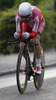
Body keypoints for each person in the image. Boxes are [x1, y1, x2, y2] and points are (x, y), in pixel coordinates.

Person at [14, 2, 45, 74]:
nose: (24, 19)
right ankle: (28, 63)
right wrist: (17, 34)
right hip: (27, 25)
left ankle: (38, 65)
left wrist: (29, 35)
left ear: (30, 14)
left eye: (26, 17)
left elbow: (34, 33)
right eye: (22, 17)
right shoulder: (18, 17)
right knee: (22, 44)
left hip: (39, 23)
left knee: (35, 41)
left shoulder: (36, 15)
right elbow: (19, 32)